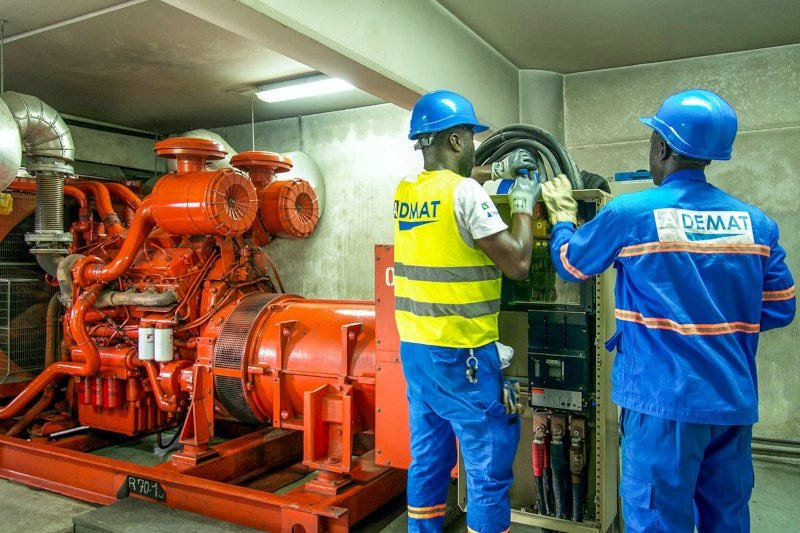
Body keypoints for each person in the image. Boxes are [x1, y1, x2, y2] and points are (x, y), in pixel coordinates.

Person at [540, 89, 796, 532]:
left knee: (658, 519)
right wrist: (719, 321)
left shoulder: (631, 213)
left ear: (661, 147)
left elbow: (570, 264)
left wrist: (563, 216)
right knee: (727, 518)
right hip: (731, 403)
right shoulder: (756, 224)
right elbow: (780, 308)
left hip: (661, 403)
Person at [394, 89, 538, 532]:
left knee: (428, 460)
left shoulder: (406, 191)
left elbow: (451, 183)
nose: (474, 144)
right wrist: (524, 205)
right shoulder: (467, 194)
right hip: (464, 356)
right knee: (488, 465)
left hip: (417, 354)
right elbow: (518, 263)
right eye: (471, 137)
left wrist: (495, 170)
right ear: (457, 140)